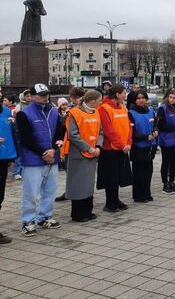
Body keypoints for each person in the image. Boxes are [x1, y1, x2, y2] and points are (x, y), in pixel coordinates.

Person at [16, 83, 66, 236]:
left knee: (50, 190)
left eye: (46, 94)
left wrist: (53, 149)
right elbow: (25, 139)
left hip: (52, 157)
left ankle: (45, 216)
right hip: (33, 159)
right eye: (41, 94)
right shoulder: (24, 114)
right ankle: (28, 221)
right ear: (31, 96)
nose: (45, 97)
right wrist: (44, 152)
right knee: (31, 192)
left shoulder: (53, 112)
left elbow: (60, 130)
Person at [61, 90, 103, 222]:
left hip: (93, 152)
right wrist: (88, 148)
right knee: (78, 184)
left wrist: (98, 147)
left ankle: (88, 211)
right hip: (78, 154)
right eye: (100, 100)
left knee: (88, 184)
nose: (101, 103)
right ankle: (78, 214)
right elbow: (73, 135)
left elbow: (100, 132)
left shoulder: (96, 112)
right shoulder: (74, 113)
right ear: (92, 101)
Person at [97, 85, 132, 212]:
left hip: (123, 148)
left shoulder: (123, 107)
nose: (125, 95)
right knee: (110, 177)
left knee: (118, 176)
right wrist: (122, 145)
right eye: (123, 93)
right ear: (117, 94)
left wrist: (128, 142)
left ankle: (116, 200)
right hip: (110, 149)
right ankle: (110, 203)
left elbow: (129, 126)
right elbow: (108, 131)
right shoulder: (104, 108)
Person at [128, 90, 157, 202]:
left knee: (148, 171)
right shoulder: (131, 113)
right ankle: (139, 195)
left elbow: (155, 125)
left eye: (143, 98)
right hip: (138, 146)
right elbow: (132, 132)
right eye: (138, 98)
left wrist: (155, 131)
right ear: (135, 100)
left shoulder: (150, 111)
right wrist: (145, 137)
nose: (141, 100)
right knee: (138, 172)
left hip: (150, 145)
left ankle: (147, 193)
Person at [157, 89, 175, 193]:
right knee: (166, 162)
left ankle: (172, 182)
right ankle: (165, 184)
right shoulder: (162, 108)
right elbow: (160, 125)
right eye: (170, 97)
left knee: (174, 162)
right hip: (166, 140)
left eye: (174, 98)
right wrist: (174, 127)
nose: (172, 100)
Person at [0, 91, 17, 243]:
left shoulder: (5, 111)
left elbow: (9, 133)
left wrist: (12, 155)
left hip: (4, 158)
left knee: (0, 196)